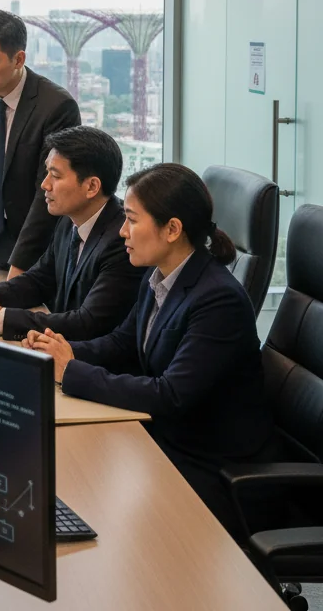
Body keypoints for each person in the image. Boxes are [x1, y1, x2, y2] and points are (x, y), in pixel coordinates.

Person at [25, 163, 275, 537]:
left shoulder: (218, 300)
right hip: (168, 441)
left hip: (212, 467)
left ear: (172, 229)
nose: (122, 232)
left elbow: (170, 394)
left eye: (131, 220)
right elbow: (123, 344)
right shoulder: (158, 275)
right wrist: (59, 352)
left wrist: (72, 371)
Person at [0, 126, 144, 341]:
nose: (45, 184)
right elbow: (40, 280)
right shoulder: (68, 220)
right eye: (47, 173)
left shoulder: (122, 240)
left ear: (92, 186)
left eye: (55, 176)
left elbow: (88, 323)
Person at [0, 9, 80, 278]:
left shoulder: (56, 107)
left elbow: (49, 194)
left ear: (18, 59)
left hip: (45, 248)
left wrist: (20, 266)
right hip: (1, 241)